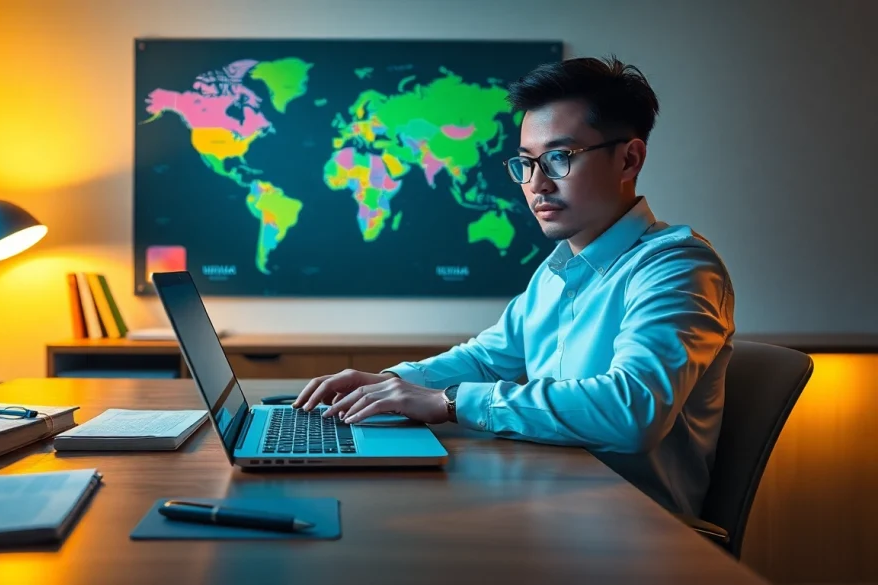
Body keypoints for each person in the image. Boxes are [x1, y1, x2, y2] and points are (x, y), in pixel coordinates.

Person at [292, 55, 735, 517]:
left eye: (559, 158)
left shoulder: (677, 266)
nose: (536, 184)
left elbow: (631, 412)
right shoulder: (558, 269)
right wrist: (391, 383)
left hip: (632, 527)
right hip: (553, 498)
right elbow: (487, 359)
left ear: (629, 159)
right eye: (526, 163)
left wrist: (446, 402)